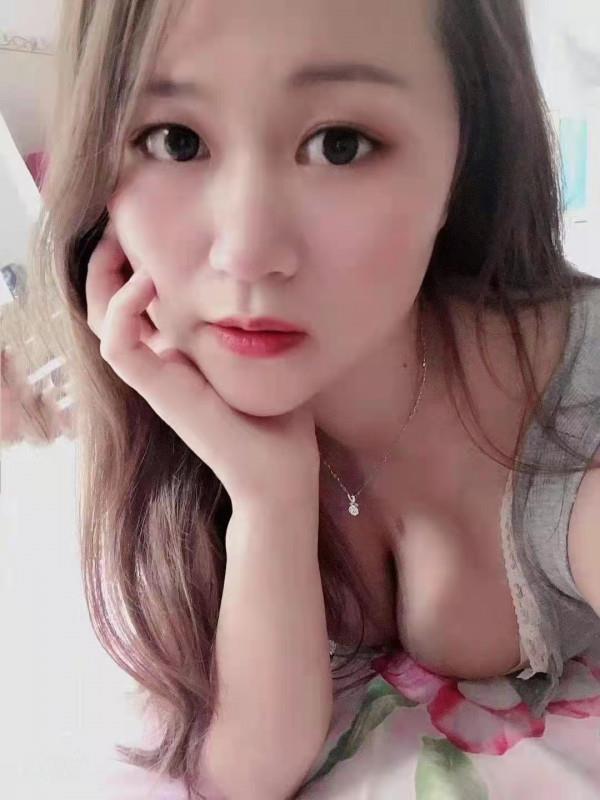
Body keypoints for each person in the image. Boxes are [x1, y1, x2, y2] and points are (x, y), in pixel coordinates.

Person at [22, 0, 600, 797]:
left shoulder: (572, 422)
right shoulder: (169, 433)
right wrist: (269, 497)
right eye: (175, 140)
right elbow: (249, 771)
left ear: (464, 157)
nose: (246, 252)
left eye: (340, 144)